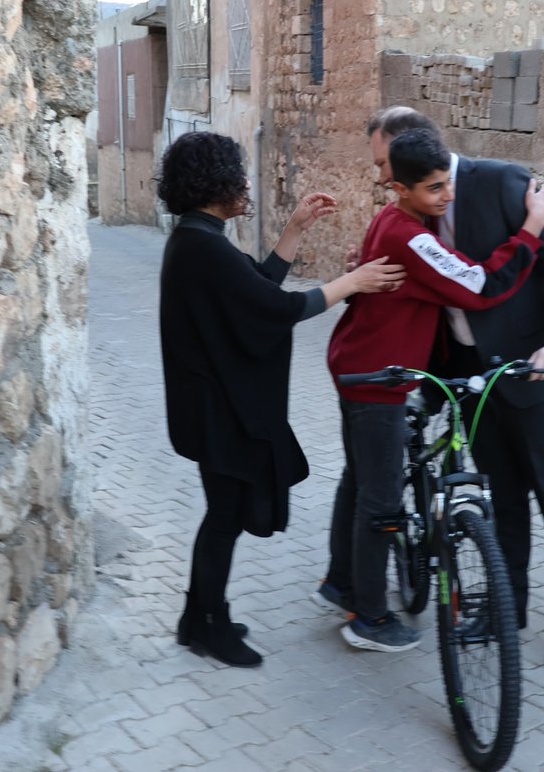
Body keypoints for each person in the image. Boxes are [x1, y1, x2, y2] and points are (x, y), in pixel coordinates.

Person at [157, 131, 405, 668]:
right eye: (237, 176)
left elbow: (258, 289)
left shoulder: (200, 237)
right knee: (222, 520)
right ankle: (209, 627)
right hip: (216, 411)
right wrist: (353, 282)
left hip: (209, 408)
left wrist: (293, 230)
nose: (246, 184)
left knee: (219, 516)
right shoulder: (202, 246)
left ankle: (195, 616)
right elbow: (278, 310)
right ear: (213, 183)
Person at [366, 107, 544, 672]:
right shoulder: (408, 204)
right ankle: (507, 607)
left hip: (534, 373)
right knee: (501, 501)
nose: (384, 179)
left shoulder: (503, 182)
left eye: (387, 165)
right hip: (470, 377)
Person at [319, 127, 544, 652]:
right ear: (400, 190)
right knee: (380, 502)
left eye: (447, 184)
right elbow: (480, 287)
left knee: (363, 482)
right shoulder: (409, 235)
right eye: (433, 190)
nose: (446, 197)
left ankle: (341, 583)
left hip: (361, 365)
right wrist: (533, 226)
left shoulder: (397, 219)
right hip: (377, 380)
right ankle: (369, 619)